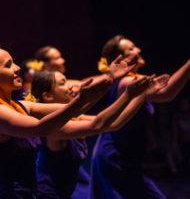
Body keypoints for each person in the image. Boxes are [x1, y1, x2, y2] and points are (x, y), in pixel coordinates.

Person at [0, 43, 132, 198]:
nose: (17, 68)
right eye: (8, 65)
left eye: (13, 62)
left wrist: (110, 79)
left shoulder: (20, 105)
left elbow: (76, 109)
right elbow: (41, 128)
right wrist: (84, 98)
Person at [31, 70, 167, 198]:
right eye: (63, 83)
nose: (71, 87)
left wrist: (142, 95)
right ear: (47, 96)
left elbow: (114, 124)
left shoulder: (72, 118)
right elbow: (98, 124)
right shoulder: (55, 128)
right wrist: (128, 94)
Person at [90, 35, 190, 199]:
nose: (138, 50)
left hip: (125, 159)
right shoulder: (128, 82)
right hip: (115, 159)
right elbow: (167, 93)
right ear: (121, 59)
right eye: (131, 48)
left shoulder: (133, 80)